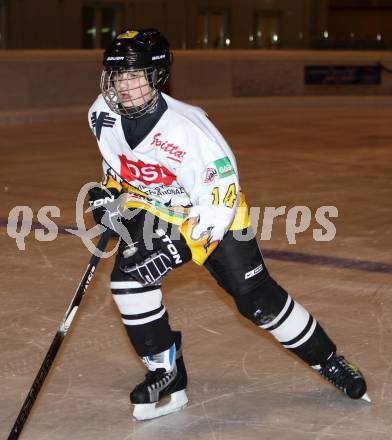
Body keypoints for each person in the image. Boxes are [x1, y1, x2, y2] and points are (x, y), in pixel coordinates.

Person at [87, 28, 369, 421]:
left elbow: (220, 199)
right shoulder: (101, 112)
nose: (126, 87)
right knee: (128, 279)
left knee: (257, 302)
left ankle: (330, 361)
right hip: (160, 210)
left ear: (157, 77)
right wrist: (108, 194)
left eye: (136, 76)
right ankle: (166, 373)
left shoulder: (189, 129)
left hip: (216, 215)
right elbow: (120, 166)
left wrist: (178, 248)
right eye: (119, 76)